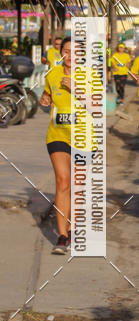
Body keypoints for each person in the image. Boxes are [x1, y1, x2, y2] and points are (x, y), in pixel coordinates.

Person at [39, 36, 74, 253]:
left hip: (83, 137)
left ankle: (72, 227)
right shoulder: (53, 74)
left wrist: (78, 89)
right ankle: (62, 235)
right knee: (63, 181)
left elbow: (101, 107)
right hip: (57, 134)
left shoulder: (90, 76)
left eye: (75, 51)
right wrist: (44, 99)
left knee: (78, 186)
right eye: (66, 51)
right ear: (60, 53)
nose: (70, 56)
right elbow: (47, 95)